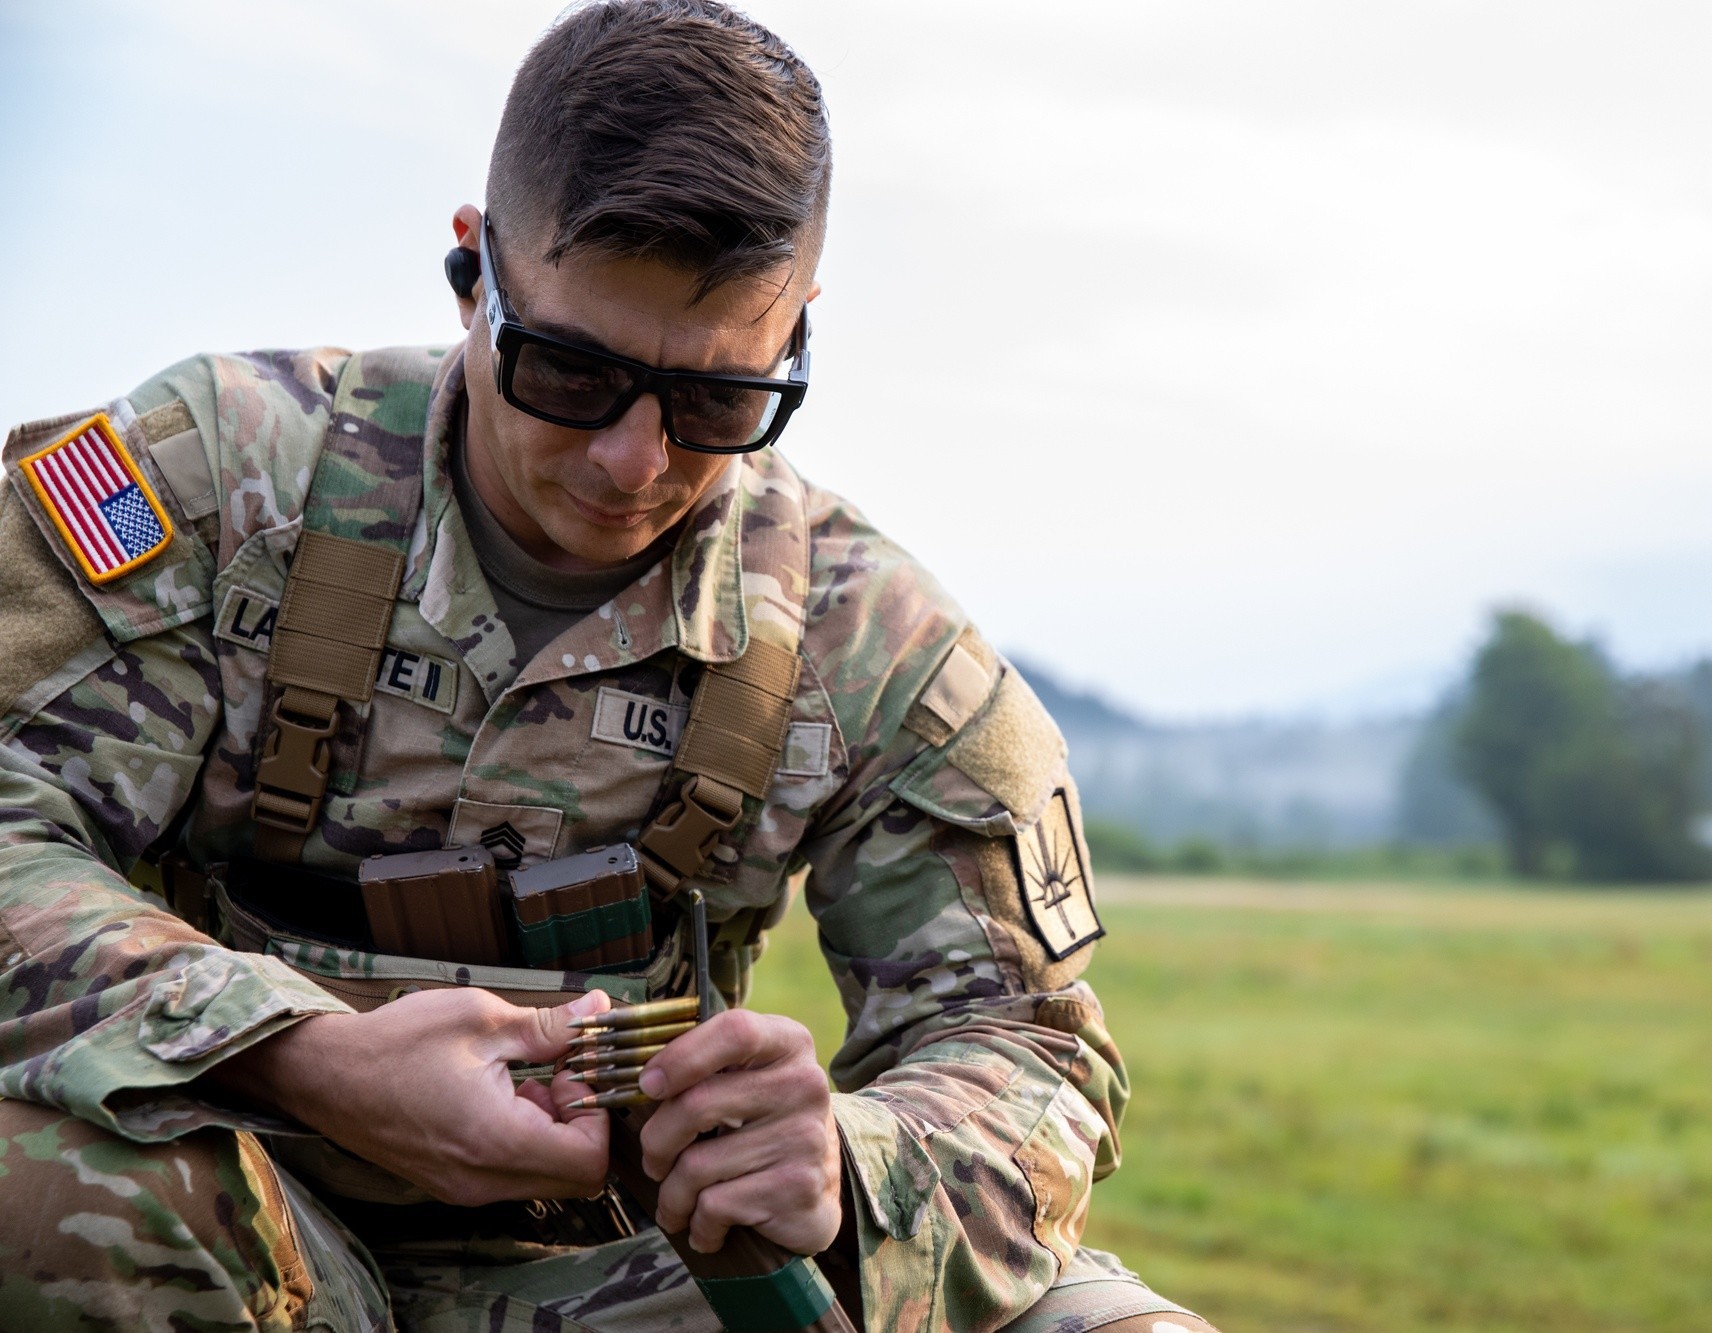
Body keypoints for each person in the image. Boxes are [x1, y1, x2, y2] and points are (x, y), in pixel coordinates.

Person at [0, 3, 1219, 1331]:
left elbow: (1029, 1044)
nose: (633, 461)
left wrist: (841, 1165)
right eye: (570, 372)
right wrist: (307, 1056)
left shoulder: (861, 637)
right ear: (474, 269)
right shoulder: (220, 483)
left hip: (630, 1285)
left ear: (800, 330)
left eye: (717, 399)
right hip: (226, 1227)